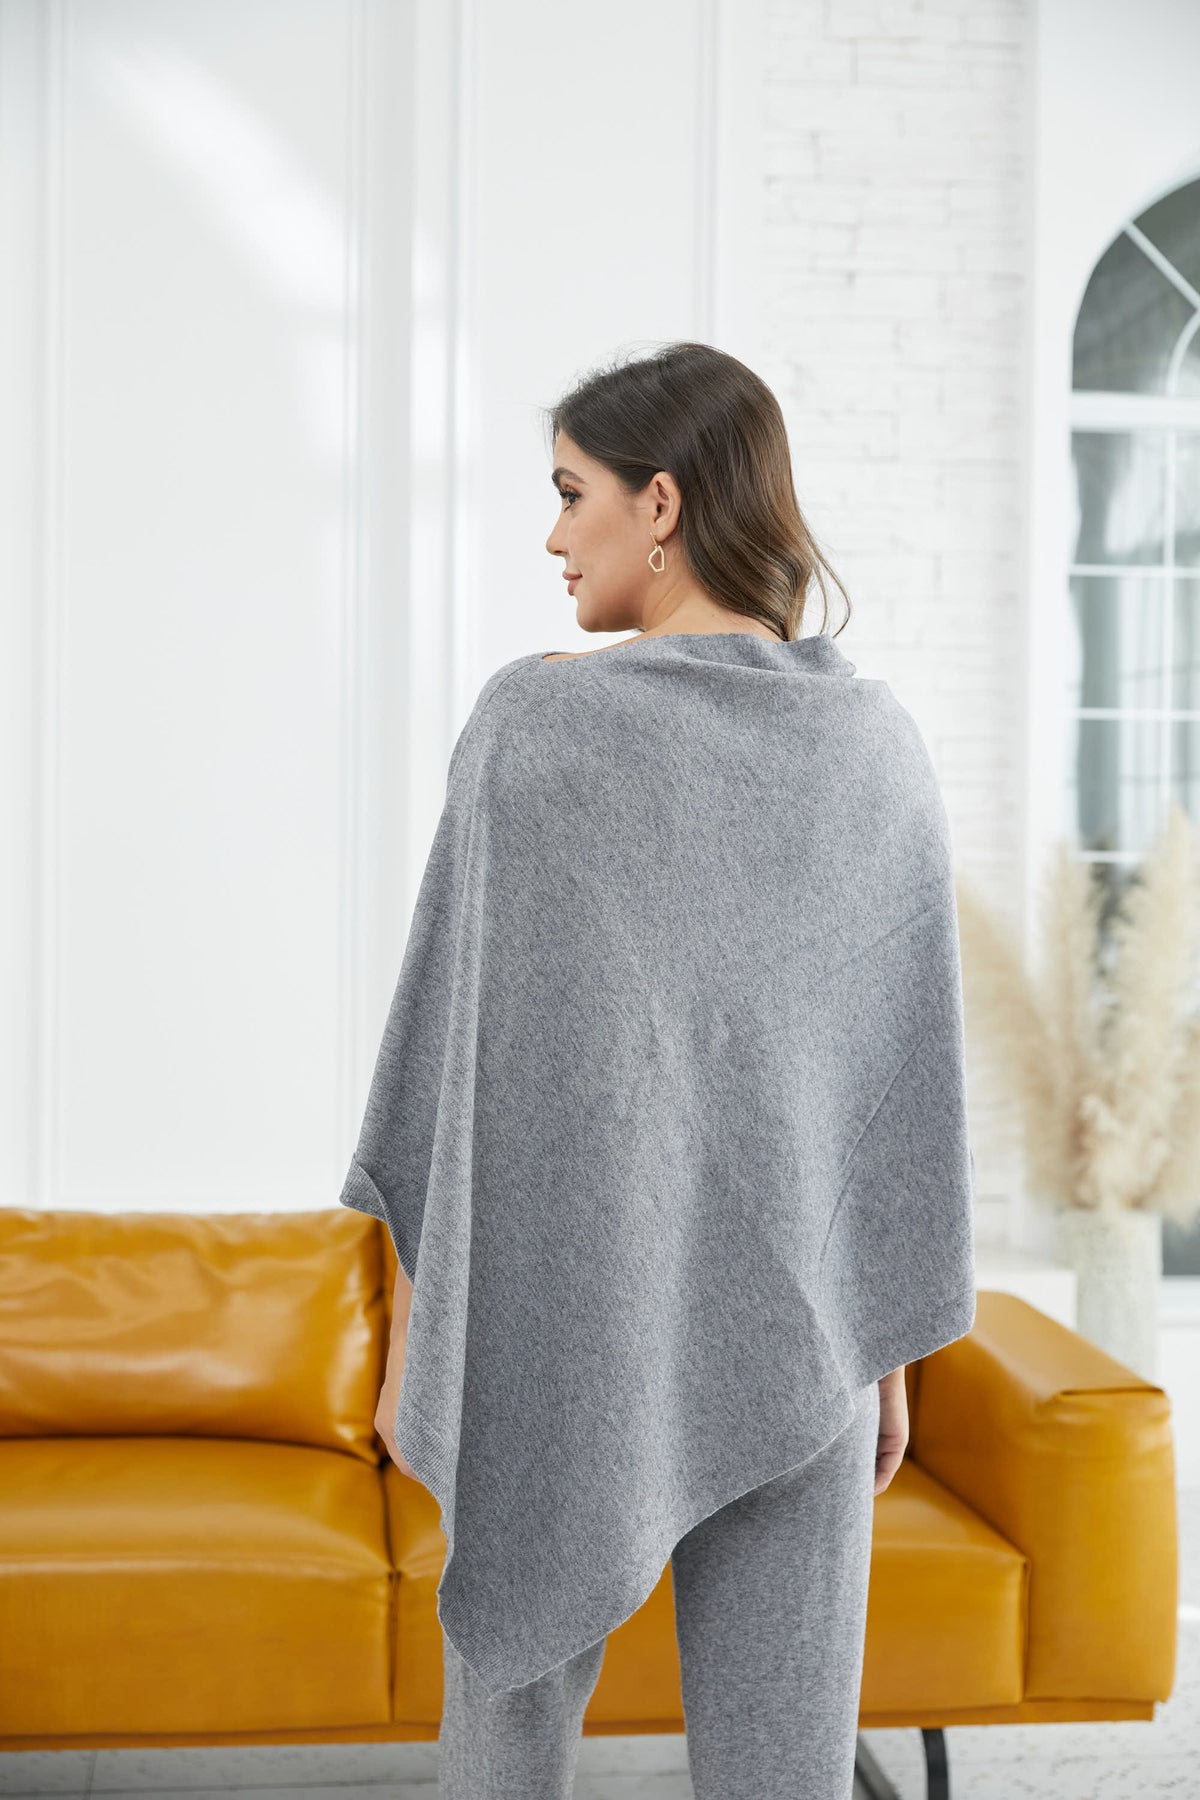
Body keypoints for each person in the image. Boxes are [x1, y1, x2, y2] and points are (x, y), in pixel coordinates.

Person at [340, 342, 977, 1798]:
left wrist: (422, 1336)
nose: (553, 535)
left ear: (664, 503)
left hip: (570, 1321)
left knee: (508, 1729)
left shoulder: (535, 722)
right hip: (809, 1328)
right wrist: (880, 1347)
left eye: (573, 493)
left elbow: (458, 1064)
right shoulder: (876, 746)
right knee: (785, 1760)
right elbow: (884, 1090)